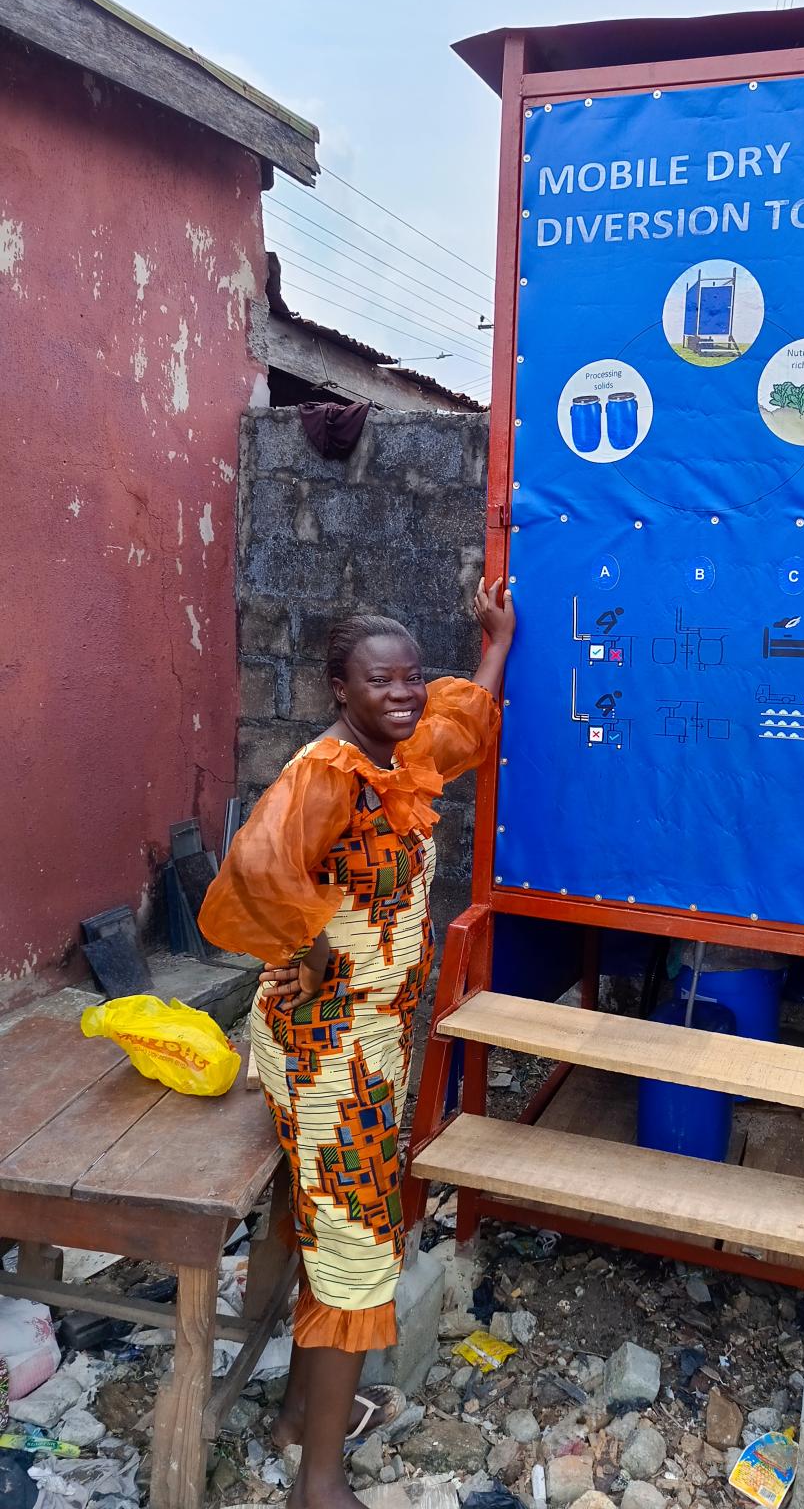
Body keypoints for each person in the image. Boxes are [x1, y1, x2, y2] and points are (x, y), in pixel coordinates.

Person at [200, 580, 514, 1509]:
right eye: (383, 681)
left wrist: (495, 642)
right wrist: (307, 952)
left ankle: (301, 1416)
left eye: (413, 677)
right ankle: (319, 1483)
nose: (406, 694)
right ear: (340, 688)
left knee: (336, 1227)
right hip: (328, 1054)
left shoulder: (400, 756)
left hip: (374, 1042)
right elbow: (256, 870)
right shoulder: (327, 775)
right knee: (355, 1249)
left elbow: (463, 724)